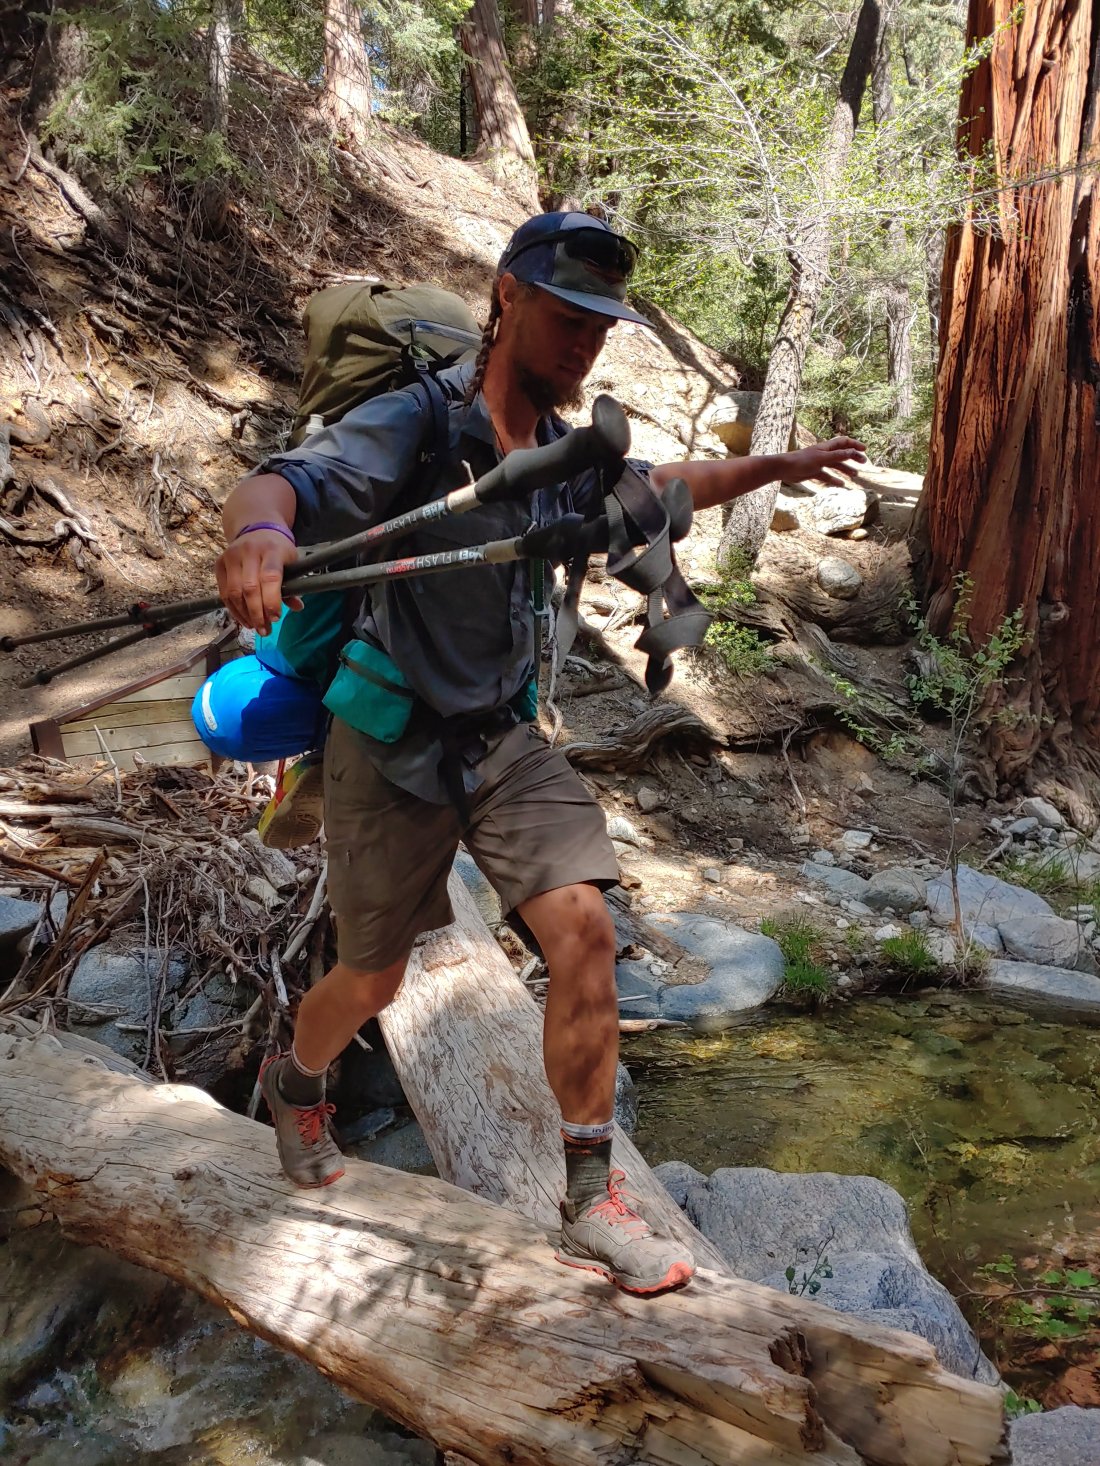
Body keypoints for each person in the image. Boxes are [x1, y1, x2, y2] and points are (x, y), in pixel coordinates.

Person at [215, 211, 865, 1296]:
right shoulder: (418, 421)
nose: (584, 344)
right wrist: (259, 536)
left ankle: (591, 1201)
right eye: (568, 318)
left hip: (502, 738)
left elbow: (664, 486)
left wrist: (777, 464)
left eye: (601, 327)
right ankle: (298, 1081)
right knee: (372, 976)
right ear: (507, 298)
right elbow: (283, 481)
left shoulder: (569, 456)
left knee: (585, 933)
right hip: (388, 733)